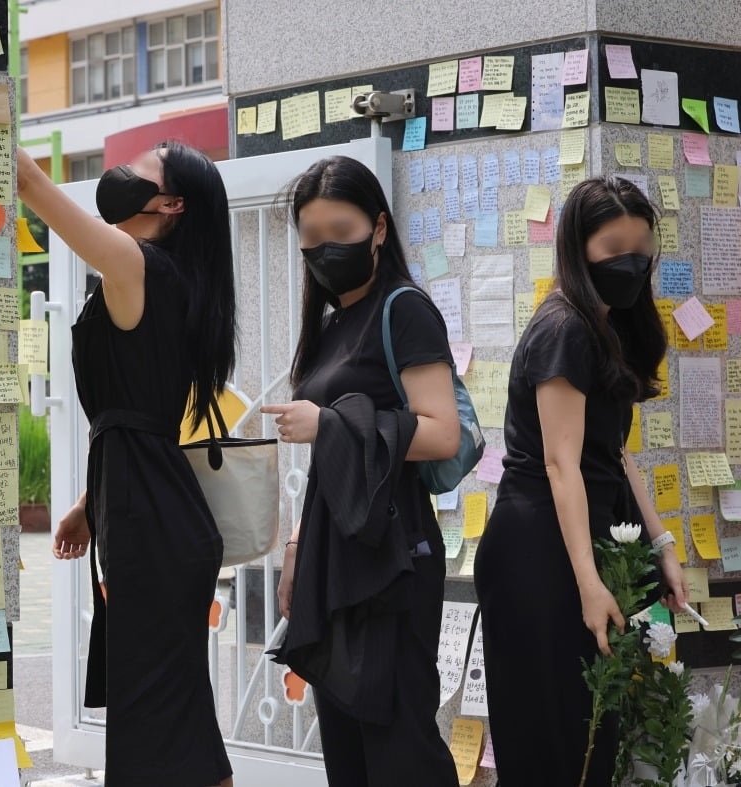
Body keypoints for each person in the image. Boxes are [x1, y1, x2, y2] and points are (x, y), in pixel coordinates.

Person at [17, 141, 235, 787]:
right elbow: (133, 415)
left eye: (138, 170)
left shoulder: (145, 268)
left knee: (158, 723)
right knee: (173, 718)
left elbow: (29, 182)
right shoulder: (159, 276)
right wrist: (91, 501)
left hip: (151, 521)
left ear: (170, 203)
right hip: (147, 511)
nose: (117, 175)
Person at [474, 177, 689, 786]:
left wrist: (663, 546)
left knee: (593, 732)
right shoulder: (564, 327)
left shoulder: (606, 324)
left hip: (583, 541)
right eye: (612, 245)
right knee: (559, 739)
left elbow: (613, 454)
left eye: (641, 247)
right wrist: (590, 584)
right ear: (577, 247)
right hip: (540, 550)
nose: (631, 261)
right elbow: (560, 464)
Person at [263, 155, 461, 787]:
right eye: (312, 240)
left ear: (378, 229)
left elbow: (441, 433)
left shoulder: (404, 310)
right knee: (348, 754)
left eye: (341, 233)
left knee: (400, 748)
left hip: (392, 560)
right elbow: (330, 466)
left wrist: (330, 424)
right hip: (335, 554)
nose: (326, 251)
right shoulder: (327, 323)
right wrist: (297, 544)